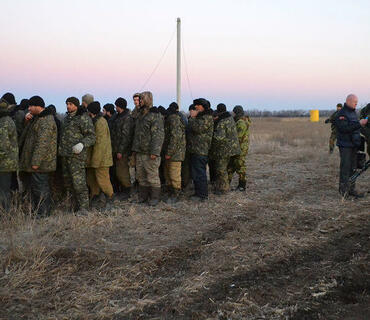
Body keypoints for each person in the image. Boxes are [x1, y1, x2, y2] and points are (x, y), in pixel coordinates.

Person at [19, 96, 57, 216]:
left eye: (31, 106)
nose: (29, 108)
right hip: (35, 163)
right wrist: (26, 121)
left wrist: (36, 162)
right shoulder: (37, 119)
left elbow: (42, 143)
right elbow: (26, 137)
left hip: (41, 163)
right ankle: (38, 212)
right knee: (36, 189)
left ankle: (43, 214)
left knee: (41, 189)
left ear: (38, 106)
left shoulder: (46, 120)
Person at [59, 97, 96, 214]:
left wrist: (82, 144)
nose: (68, 106)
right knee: (68, 182)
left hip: (77, 156)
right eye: (67, 104)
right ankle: (73, 206)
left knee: (79, 183)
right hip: (65, 155)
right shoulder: (66, 119)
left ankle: (84, 208)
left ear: (76, 105)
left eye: (70, 104)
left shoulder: (83, 118)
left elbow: (92, 136)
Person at [131, 91, 164, 206]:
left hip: (150, 152)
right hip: (140, 151)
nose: (138, 102)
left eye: (140, 99)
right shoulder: (140, 114)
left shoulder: (155, 115)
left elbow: (158, 136)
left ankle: (155, 198)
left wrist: (155, 152)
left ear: (146, 100)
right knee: (141, 175)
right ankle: (143, 197)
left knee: (152, 176)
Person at [335, 94, 368, 198]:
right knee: (345, 168)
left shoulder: (353, 112)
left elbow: (355, 128)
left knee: (353, 168)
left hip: (354, 145)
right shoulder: (342, 114)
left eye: (357, 102)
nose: (356, 104)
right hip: (345, 146)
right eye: (355, 102)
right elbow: (344, 129)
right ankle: (344, 192)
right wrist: (359, 123)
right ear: (348, 101)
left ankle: (351, 189)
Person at [86, 102, 114, 209]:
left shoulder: (100, 123)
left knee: (103, 180)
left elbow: (100, 144)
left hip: (101, 159)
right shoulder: (94, 121)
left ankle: (110, 199)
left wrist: (95, 161)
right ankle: (96, 198)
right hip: (94, 158)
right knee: (92, 180)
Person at [210, 103, 240, 194]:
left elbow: (219, 137)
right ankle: (222, 186)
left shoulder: (222, 122)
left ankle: (223, 189)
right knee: (225, 169)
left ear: (218, 112)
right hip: (233, 148)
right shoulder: (230, 119)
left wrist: (210, 137)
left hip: (225, 150)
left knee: (221, 169)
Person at [187, 98, 214, 201]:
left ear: (202, 106)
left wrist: (193, 118)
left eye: (197, 105)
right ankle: (198, 193)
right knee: (196, 173)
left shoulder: (206, 118)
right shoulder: (201, 117)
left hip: (201, 150)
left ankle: (202, 195)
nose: (195, 107)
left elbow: (198, 129)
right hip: (195, 149)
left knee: (200, 173)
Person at [111, 97, 134, 200]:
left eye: (116, 105)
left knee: (122, 172)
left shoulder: (127, 118)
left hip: (122, 151)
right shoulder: (117, 116)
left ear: (119, 106)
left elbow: (126, 137)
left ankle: (127, 191)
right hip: (115, 149)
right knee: (117, 171)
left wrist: (121, 151)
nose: (115, 107)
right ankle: (120, 190)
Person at [162, 102, 186, 203]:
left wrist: (169, 152)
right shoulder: (171, 118)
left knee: (174, 174)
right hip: (171, 152)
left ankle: (176, 194)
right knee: (168, 173)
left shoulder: (174, 119)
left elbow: (175, 137)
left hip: (175, 153)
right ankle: (170, 191)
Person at [0, 98, 18, 212]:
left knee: (3, 190)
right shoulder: (7, 119)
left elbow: (3, 146)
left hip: (4, 163)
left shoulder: (3, 122)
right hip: (7, 162)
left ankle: (5, 215)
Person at [228, 105, 251, 191]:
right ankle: (226, 184)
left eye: (233, 113)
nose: (232, 114)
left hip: (240, 148)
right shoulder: (239, 121)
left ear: (236, 113)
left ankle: (242, 186)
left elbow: (237, 136)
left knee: (240, 166)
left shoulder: (241, 123)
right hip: (237, 148)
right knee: (231, 166)